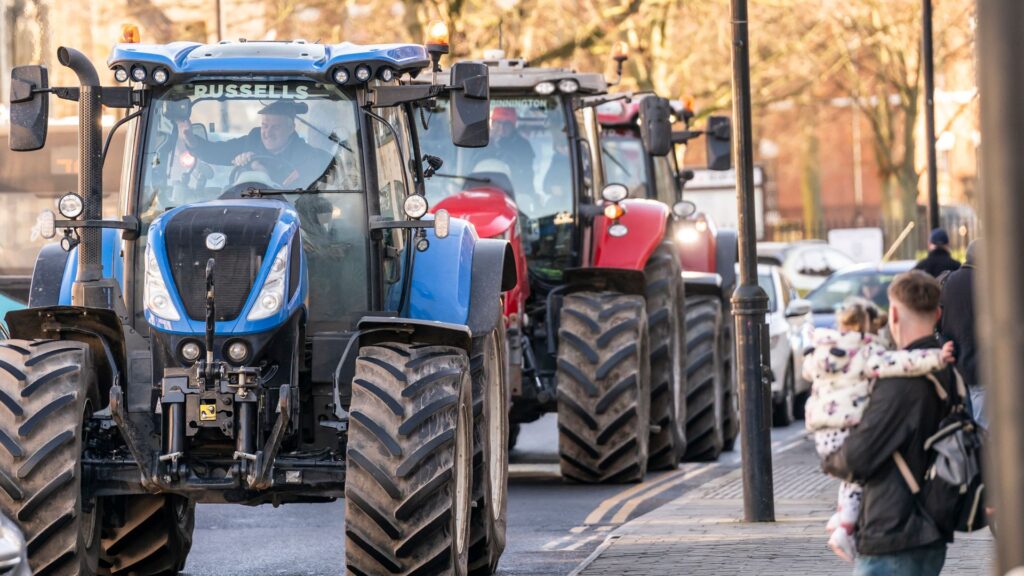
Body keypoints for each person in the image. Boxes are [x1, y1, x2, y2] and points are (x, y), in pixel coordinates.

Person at [823, 271, 956, 576]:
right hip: (933, 526)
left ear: (893, 314)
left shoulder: (899, 382)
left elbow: (857, 457)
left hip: (893, 530)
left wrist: (831, 459)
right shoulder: (948, 372)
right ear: (937, 313)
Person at [177, 100, 331, 189]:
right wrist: (191, 139)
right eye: (265, 125)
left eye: (275, 127)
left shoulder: (306, 155)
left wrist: (259, 169)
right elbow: (216, 152)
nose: (268, 132)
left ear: (291, 129)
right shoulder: (252, 140)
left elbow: (329, 164)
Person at [940, 239, 984, 426]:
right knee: (984, 428)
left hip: (956, 364)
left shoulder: (948, 281)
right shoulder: (987, 283)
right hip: (981, 366)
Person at [471, 107, 535, 200]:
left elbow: (526, 174)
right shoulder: (482, 142)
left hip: (515, 192)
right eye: (498, 123)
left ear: (513, 126)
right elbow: (470, 167)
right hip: (482, 189)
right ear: (492, 123)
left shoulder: (522, 145)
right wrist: (490, 145)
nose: (501, 128)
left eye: (506, 124)